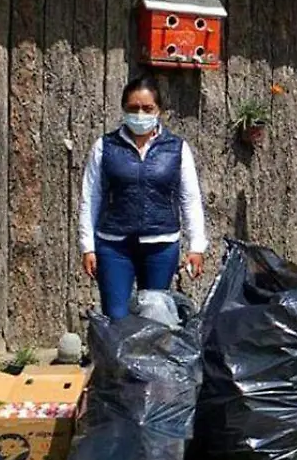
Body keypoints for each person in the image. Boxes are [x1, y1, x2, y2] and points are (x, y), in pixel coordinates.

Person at [78, 75, 208, 320]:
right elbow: (91, 197)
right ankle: (114, 360)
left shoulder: (177, 148)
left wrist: (196, 246)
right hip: (113, 245)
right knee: (116, 317)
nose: (140, 114)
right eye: (133, 108)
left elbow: (190, 198)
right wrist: (88, 247)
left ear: (159, 110)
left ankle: (154, 360)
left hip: (161, 245)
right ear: (123, 109)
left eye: (147, 108)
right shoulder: (104, 147)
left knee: (156, 317)